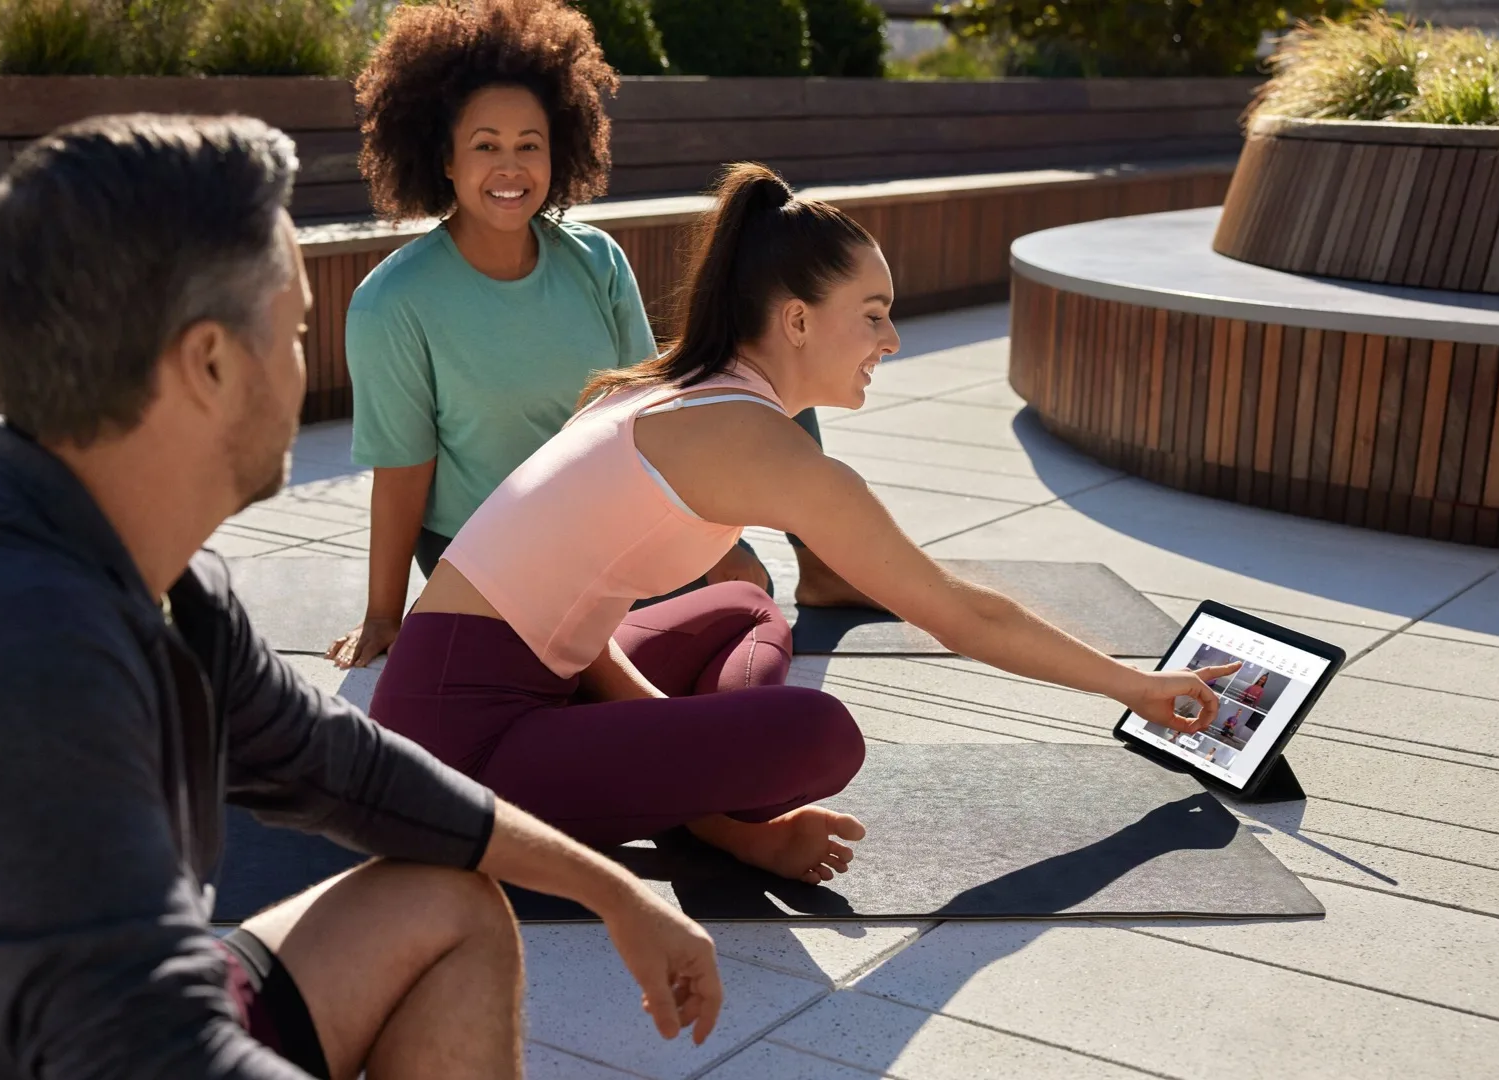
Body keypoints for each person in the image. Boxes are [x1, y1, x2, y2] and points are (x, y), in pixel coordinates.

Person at [0, 115, 724, 1080]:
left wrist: (615, 891)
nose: (303, 367)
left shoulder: (154, 576)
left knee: (445, 905)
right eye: (291, 333)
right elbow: (155, 1058)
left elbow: (341, 768)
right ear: (207, 362)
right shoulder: (1, 655)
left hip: (81, 1039)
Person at [367, 164, 1241, 884]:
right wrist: (1138, 689)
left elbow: (578, 624)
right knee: (816, 735)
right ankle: (691, 794)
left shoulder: (659, 392)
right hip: (455, 753)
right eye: (872, 315)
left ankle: (679, 787)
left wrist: (684, 762)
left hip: (513, 682)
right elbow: (960, 615)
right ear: (794, 320)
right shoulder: (759, 445)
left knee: (748, 607)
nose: (892, 340)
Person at [328, 0, 871, 670]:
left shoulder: (594, 259)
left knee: (773, 353)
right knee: (732, 627)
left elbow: (652, 411)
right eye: (485, 145)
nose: (511, 168)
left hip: (613, 516)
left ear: (559, 148)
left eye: (530, 145)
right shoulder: (393, 303)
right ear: (444, 158)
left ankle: (823, 565)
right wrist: (384, 614)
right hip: (497, 551)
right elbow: (404, 470)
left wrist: (710, 536)